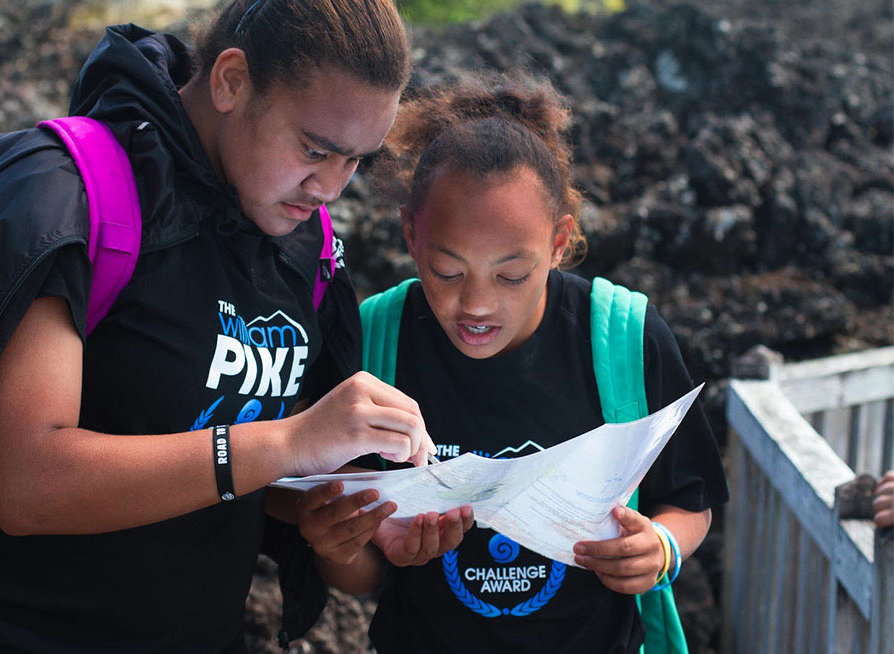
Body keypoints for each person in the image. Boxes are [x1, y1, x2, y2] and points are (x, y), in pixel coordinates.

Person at [0, 1, 441, 650]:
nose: (331, 186)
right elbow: (24, 482)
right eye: (315, 149)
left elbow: (255, 468)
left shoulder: (306, 245)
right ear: (231, 81)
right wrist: (286, 442)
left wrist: (335, 514)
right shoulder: (78, 197)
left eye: (356, 161)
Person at [296, 74, 729, 653]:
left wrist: (661, 548)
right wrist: (336, 546)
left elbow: (690, 498)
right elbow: (365, 576)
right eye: (447, 272)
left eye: (512, 274)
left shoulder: (625, 338)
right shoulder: (373, 345)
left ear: (558, 241)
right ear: (410, 235)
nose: (476, 304)